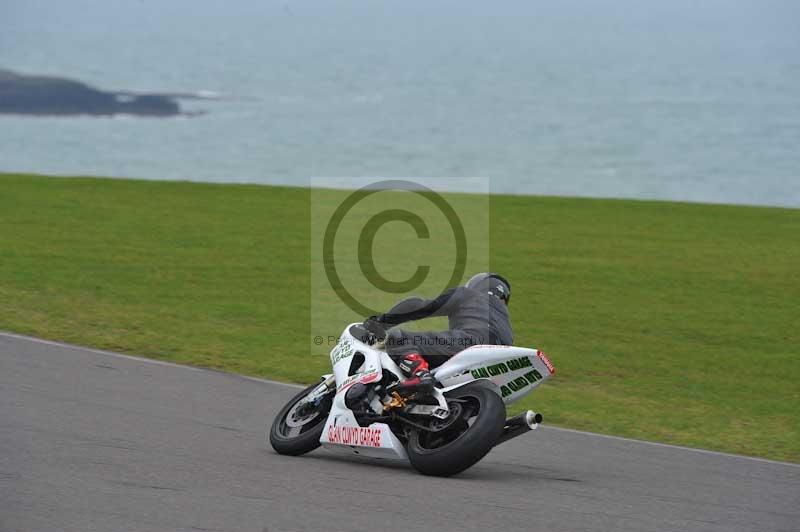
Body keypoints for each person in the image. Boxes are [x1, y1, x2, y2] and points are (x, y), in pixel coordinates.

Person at [362, 272, 513, 397]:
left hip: (466, 345)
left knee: (398, 338)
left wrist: (382, 322)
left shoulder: (468, 294)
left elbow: (420, 307)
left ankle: (420, 375)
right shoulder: (506, 322)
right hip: (496, 364)